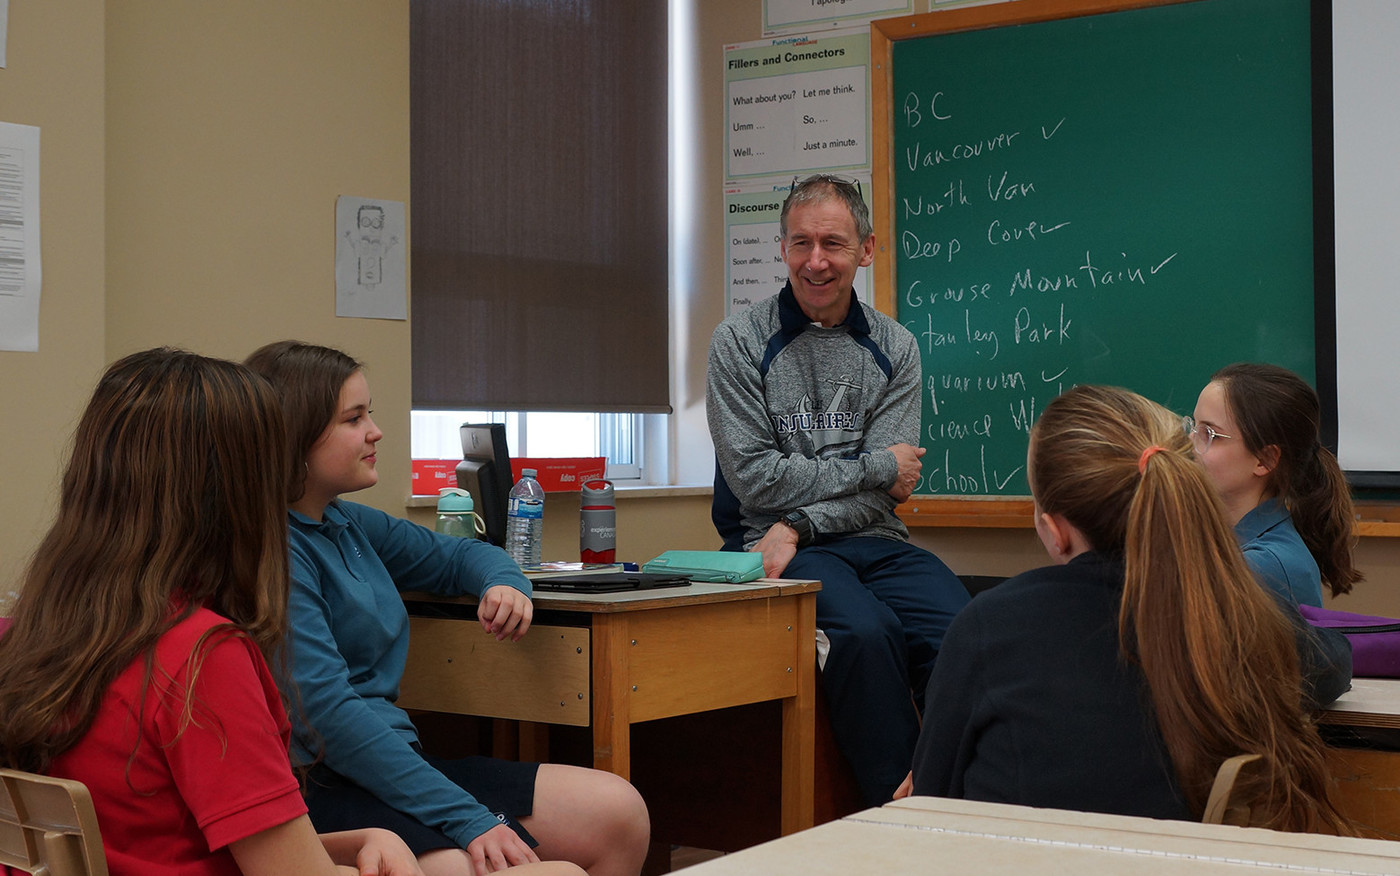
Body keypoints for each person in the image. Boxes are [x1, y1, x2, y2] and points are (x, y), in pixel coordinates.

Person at [0, 348, 425, 876]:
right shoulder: (202, 659)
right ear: (236, 493)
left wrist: (360, 840)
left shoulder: (25, 640)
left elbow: (160, 846)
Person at [245, 341, 648, 876]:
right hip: (328, 782)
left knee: (619, 813)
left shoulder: (346, 522)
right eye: (353, 418)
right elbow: (328, 720)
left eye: (371, 413)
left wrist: (508, 585)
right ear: (293, 437)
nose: (375, 431)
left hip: (402, 762)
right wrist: (469, 818)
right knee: (486, 865)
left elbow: (463, 554)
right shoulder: (276, 550)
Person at [905, 384, 1351, 831]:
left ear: (1054, 531)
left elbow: (930, 802)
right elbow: (1332, 663)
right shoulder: (1231, 604)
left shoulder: (992, 625)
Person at [706, 174, 971, 806]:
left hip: (867, 539)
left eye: (833, 243)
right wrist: (875, 466)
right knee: (864, 633)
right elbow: (756, 479)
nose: (816, 261)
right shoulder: (738, 344)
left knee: (967, 629)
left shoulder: (895, 346)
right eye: (801, 243)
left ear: (867, 250)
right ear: (782, 249)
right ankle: (901, 809)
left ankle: (961, 791)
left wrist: (800, 517)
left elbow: (890, 495)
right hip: (776, 550)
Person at [1190, 363, 1362, 607]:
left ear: (1265, 460)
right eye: (1194, 426)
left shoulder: (1264, 565)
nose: (1189, 442)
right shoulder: (1226, 539)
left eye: (1209, 434)